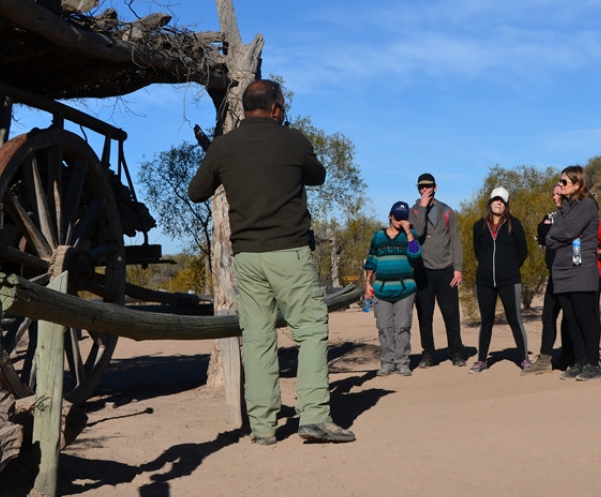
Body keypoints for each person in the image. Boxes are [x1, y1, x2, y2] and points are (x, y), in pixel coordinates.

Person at [188, 78, 355, 444]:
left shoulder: (223, 147)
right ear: (277, 106)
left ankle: (263, 427)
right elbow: (319, 175)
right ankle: (313, 416)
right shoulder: (292, 140)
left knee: (259, 337)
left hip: (247, 258)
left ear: (245, 108)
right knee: (310, 331)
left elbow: (196, 191)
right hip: (289, 253)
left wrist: (221, 162)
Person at [545, 166, 601, 381]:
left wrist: (561, 233)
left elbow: (569, 232)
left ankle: (592, 363)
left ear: (577, 184)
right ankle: (579, 362)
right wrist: (560, 210)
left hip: (581, 269)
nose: (560, 186)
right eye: (560, 182)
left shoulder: (587, 205)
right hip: (561, 269)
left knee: (585, 317)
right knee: (570, 319)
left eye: (564, 183)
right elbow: (550, 237)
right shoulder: (565, 207)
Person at [470, 187, 530, 373]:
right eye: (496, 200)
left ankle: (524, 359)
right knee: (486, 320)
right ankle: (482, 360)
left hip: (509, 280)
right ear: (490, 202)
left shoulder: (515, 224)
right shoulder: (479, 226)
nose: (498, 203)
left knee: (515, 319)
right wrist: (489, 267)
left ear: (506, 205)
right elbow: (478, 251)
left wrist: (510, 268)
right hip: (485, 281)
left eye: (502, 201)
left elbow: (523, 251)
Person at [410, 173, 466, 367]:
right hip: (423, 270)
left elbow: (455, 241)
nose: (425, 190)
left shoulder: (447, 211)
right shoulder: (413, 212)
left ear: (435, 187)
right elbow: (416, 233)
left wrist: (457, 269)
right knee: (425, 316)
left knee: (451, 314)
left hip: (446, 270)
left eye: (428, 187)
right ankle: (428, 354)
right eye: (421, 187)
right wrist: (423, 207)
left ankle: (456, 352)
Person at [364, 201, 423, 377]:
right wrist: (367, 283)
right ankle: (386, 363)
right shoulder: (378, 236)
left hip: (405, 289)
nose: (400, 220)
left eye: (403, 218)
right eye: (397, 217)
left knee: (403, 327)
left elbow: (415, 255)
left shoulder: (410, 235)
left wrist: (408, 233)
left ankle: (402, 362)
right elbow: (371, 260)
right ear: (390, 216)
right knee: (384, 327)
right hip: (381, 290)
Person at [522, 184, 571, 375]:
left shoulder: (573, 215)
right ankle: (545, 358)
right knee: (548, 316)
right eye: (553, 194)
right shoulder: (551, 215)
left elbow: (560, 235)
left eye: (557, 194)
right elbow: (541, 229)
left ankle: (569, 355)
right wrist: (548, 229)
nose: (554, 197)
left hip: (569, 275)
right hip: (553, 274)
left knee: (569, 318)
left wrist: (550, 230)